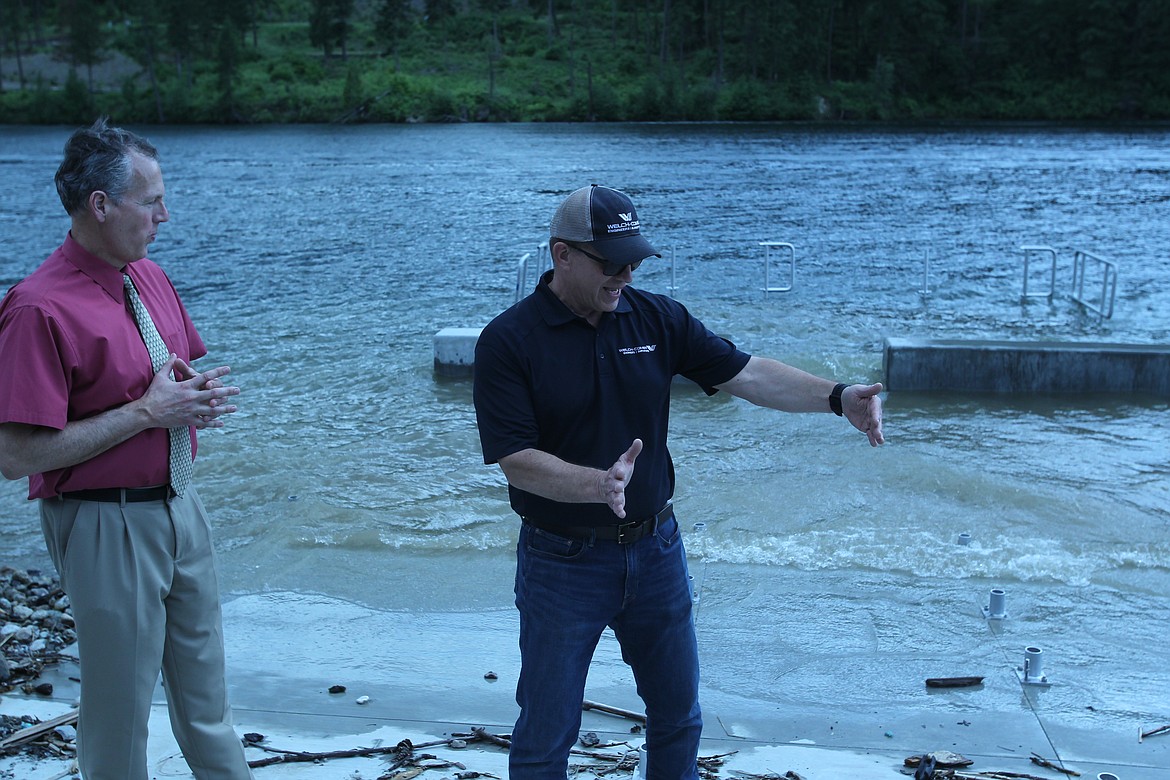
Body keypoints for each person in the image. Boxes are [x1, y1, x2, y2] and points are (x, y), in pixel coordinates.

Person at [472, 184, 885, 780]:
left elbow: (748, 375)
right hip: (560, 562)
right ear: (561, 255)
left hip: (656, 550)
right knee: (546, 733)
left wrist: (835, 397)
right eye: (611, 262)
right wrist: (596, 485)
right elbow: (515, 458)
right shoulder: (510, 341)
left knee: (678, 719)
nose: (626, 273)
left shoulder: (657, 317)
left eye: (634, 259)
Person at [0, 118, 251, 780]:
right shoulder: (36, 308)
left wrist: (191, 395)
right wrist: (147, 412)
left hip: (180, 507)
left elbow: (166, 375)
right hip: (103, 521)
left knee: (209, 704)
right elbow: (18, 455)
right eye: (151, 202)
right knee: (119, 716)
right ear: (100, 205)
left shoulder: (149, 278)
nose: (164, 216)